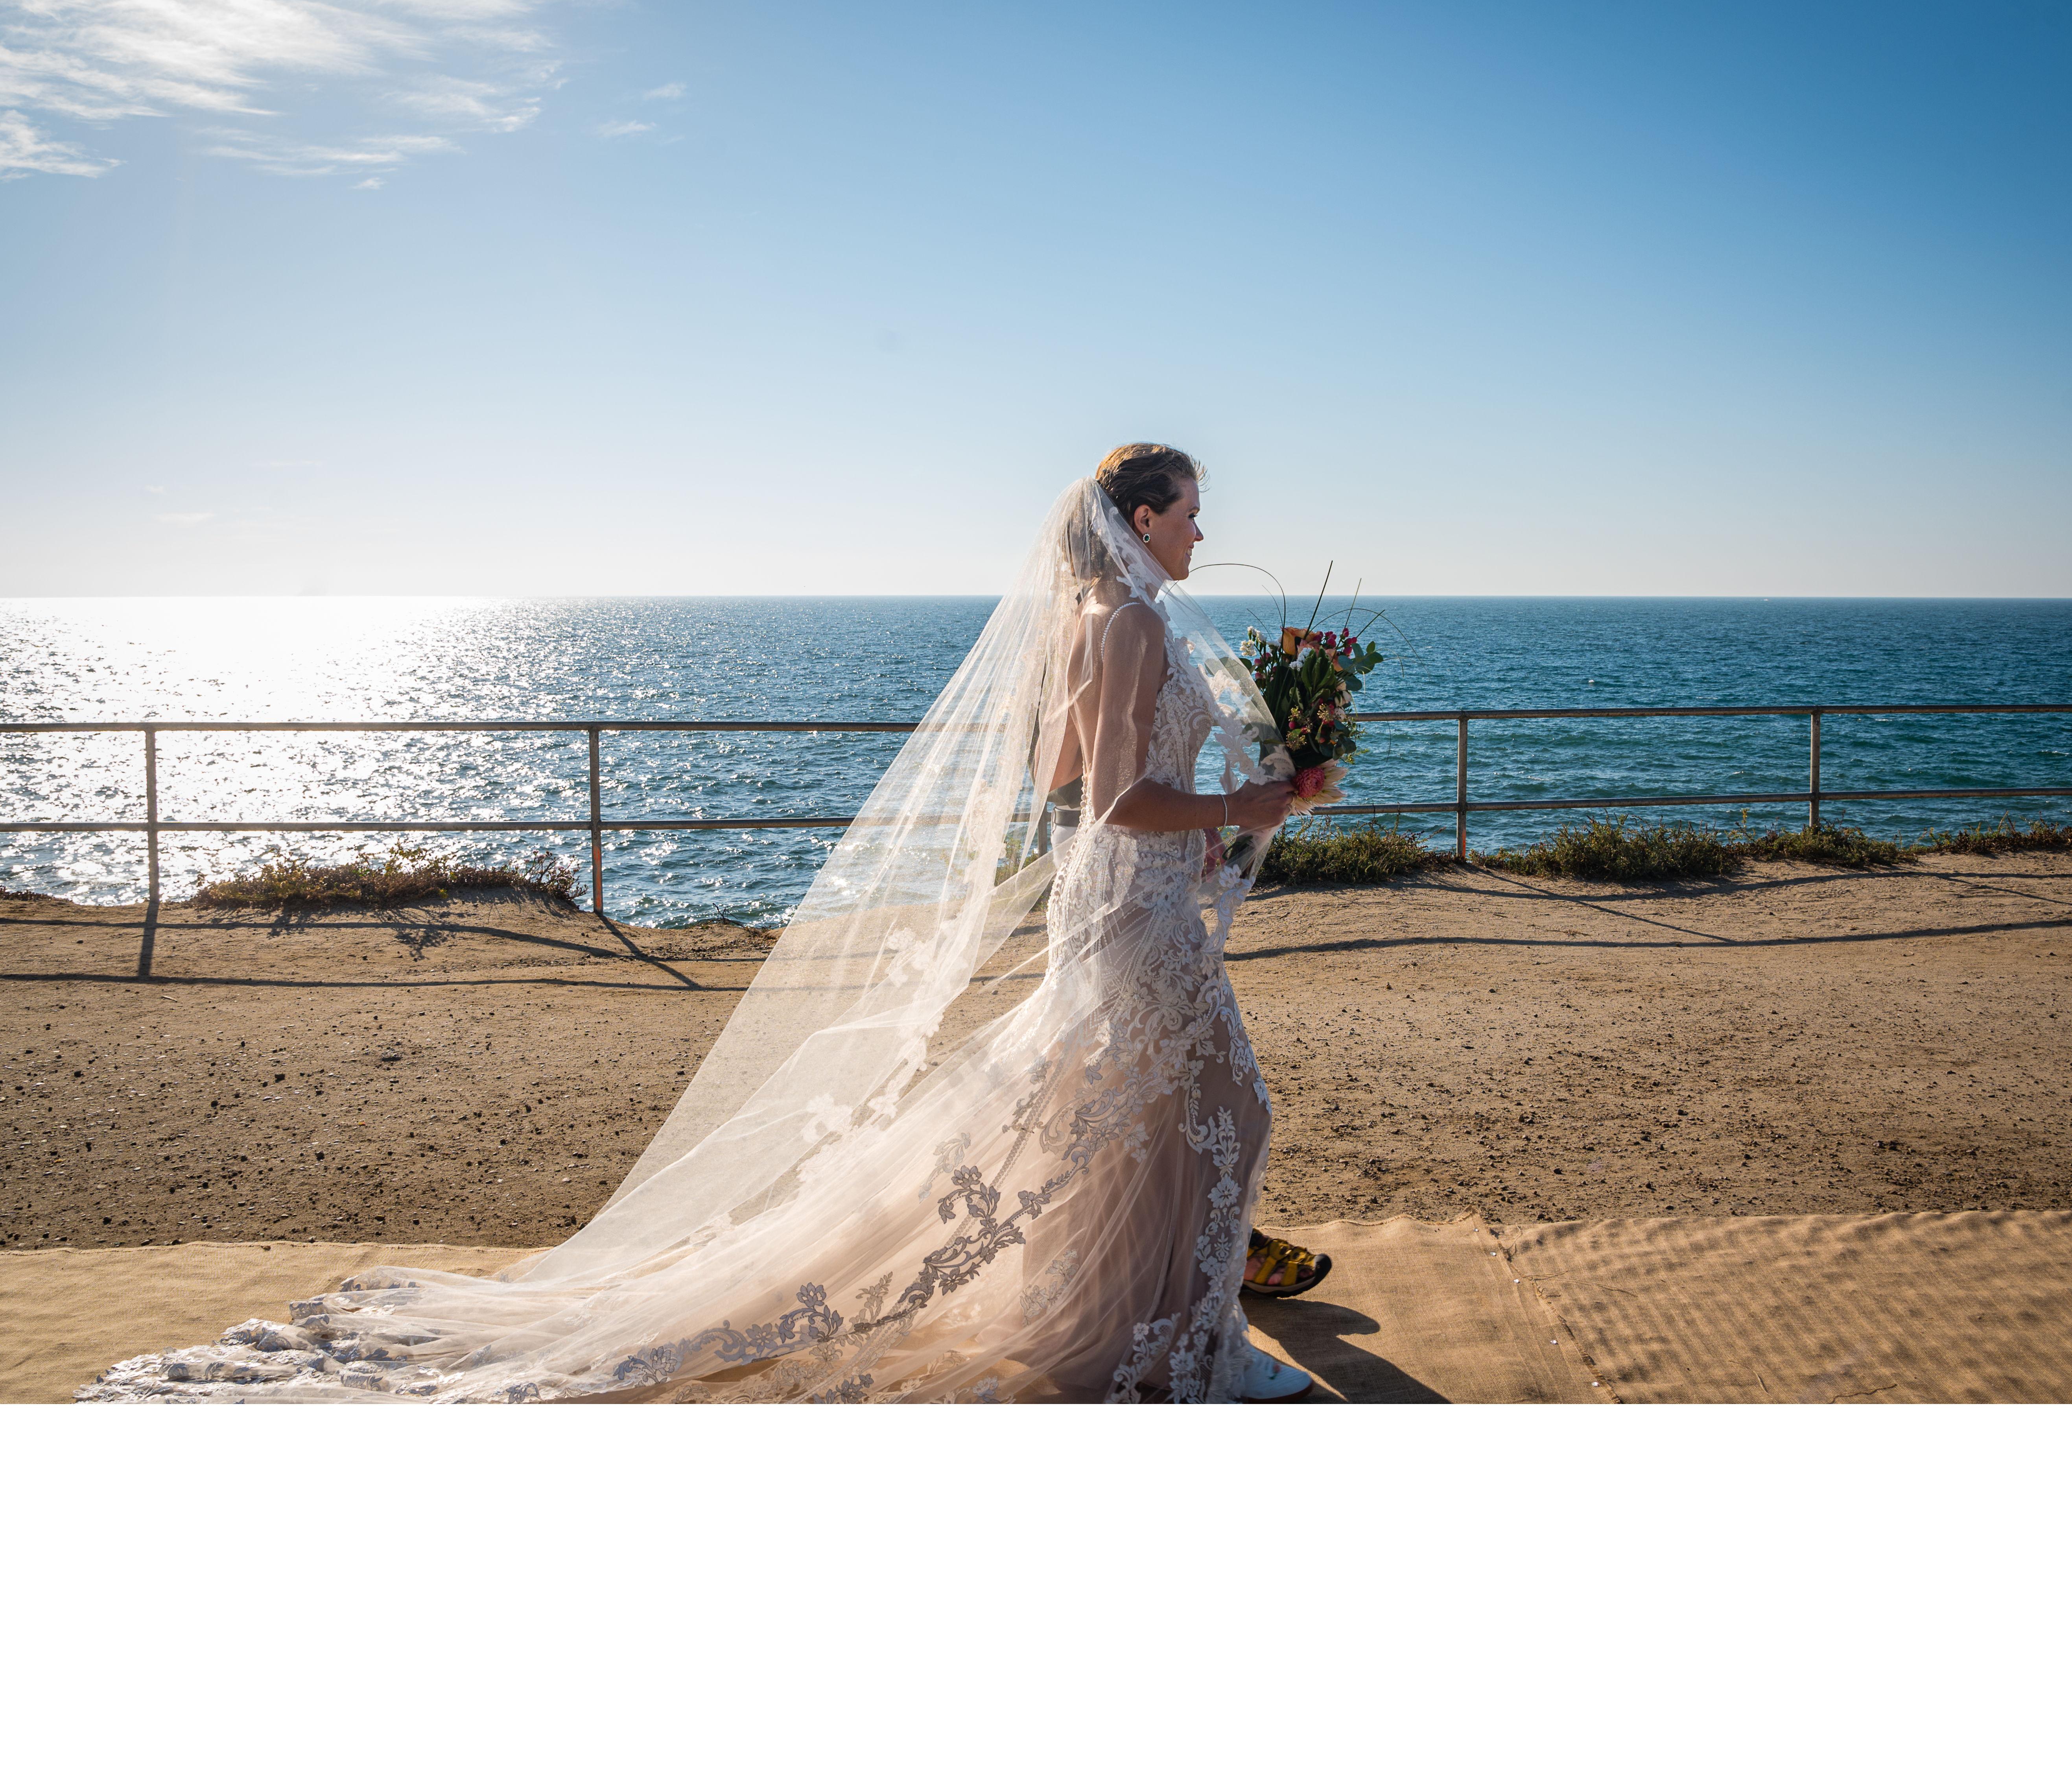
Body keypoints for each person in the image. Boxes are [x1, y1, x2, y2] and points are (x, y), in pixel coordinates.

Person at [85, 448, 1323, 1403]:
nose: (1204, 531)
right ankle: (1171, 1342)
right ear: (1142, 517)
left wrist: (1206, 819)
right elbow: (1107, 795)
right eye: (1191, 510)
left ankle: (1133, 1324)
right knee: (1214, 1105)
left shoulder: (1100, 624)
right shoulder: (1129, 622)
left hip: (1122, 898)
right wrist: (1241, 799)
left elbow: (1063, 779)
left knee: (1141, 1117)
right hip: (1130, 915)